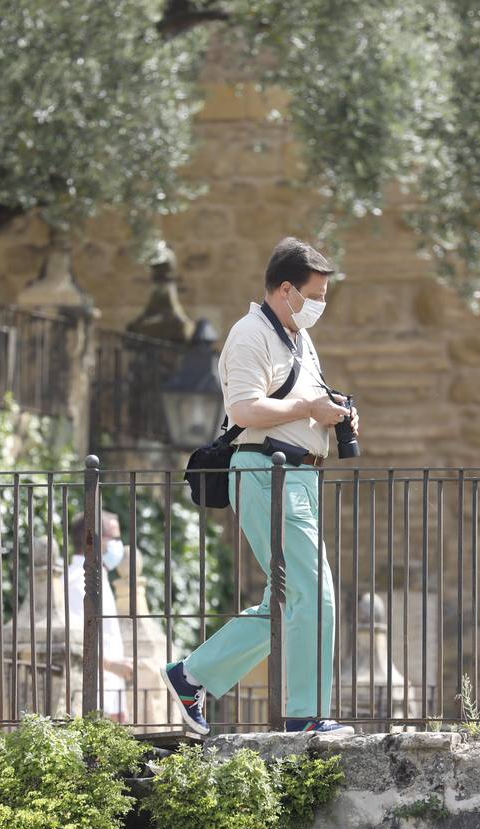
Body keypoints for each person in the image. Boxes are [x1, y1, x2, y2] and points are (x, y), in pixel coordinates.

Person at [162, 237, 357, 735]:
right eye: (315, 295)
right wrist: (307, 409)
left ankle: (191, 676)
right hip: (268, 474)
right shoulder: (249, 334)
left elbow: (300, 401)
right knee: (316, 595)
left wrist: (332, 414)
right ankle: (306, 718)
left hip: (299, 476)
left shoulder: (297, 338)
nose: (321, 305)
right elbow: (243, 410)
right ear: (286, 289)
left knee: (286, 598)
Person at [67, 510, 135, 721]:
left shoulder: (97, 578)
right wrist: (112, 666)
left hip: (108, 693)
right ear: (95, 541)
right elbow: (75, 640)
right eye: (114, 537)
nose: (118, 545)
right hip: (90, 694)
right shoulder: (78, 582)